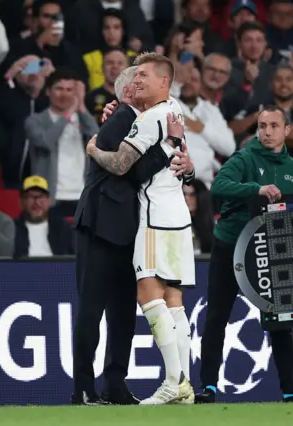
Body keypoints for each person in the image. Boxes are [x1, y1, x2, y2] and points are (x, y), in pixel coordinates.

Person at [72, 65, 193, 405]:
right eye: (135, 82)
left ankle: (115, 385)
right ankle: (83, 388)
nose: (139, 86)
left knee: (123, 313)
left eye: (145, 80)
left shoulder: (156, 116)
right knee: (93, 310)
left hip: (130, 230)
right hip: (100, 226)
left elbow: (156, 166)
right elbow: (129, 170)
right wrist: (167, 147)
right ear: (126, 93)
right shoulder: (123, 117)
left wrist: (182, 158)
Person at [194, 106, 293, 404]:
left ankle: (289, 391)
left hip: (272, 248)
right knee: (217, 316)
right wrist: (256, 189)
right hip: (232, 245)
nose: (267, 132)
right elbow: (218, 185)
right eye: (262, 125)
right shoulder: (245, 157)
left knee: (280, 320)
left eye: (273, 126)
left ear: (287, 131)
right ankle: (208, 387)